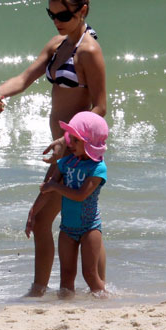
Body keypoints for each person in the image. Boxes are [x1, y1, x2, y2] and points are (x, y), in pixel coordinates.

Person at [0, 0, 107, 296]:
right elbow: (25, 78)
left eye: (63, 16)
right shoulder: (57, 44)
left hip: (78, 153)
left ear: (82, 11)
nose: (56, 21)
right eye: (51, 14)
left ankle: (45, 290)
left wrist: (69, 141)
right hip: (62, 153)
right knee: (62, 220)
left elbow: (100, 106)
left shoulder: (90, 52)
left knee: (69, 222)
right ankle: (56, 288)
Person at [38, 112, 108, 296]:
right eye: (71, 139)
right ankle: (66, 308)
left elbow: (80, 195)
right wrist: (34, 211)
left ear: (90, 143)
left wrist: (55, 187)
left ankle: (105, 302)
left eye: (76, 140)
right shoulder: (66, 162)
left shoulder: (97, 168)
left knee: (90, 274)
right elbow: (49, 187)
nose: (70, 143)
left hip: (89, 228)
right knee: (66, 277)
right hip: (67, 229)